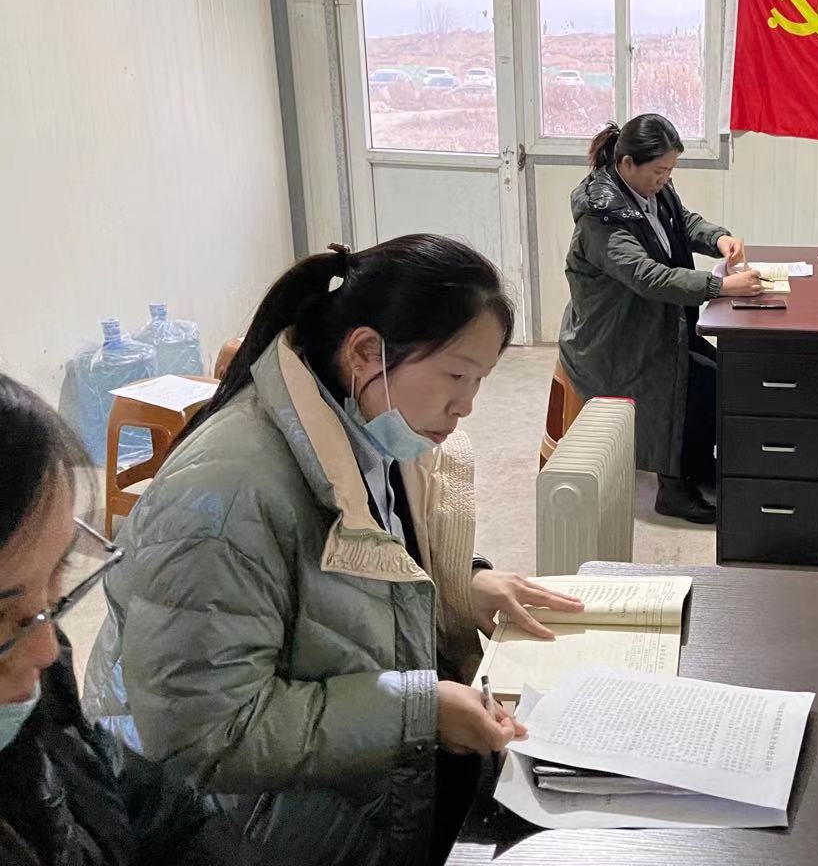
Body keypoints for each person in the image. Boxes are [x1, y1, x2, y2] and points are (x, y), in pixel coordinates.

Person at [84, 235, 583, 866]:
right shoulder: (227, 494)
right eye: (456, 375)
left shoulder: (375, 431)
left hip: (338, 789)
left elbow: (365, 557)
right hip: (232, 828)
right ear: (365, 352)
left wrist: (459, 583)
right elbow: (205, 735)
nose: (466, 405)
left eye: (480, 381)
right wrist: (418, 711)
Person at [0, 373, 258, 865]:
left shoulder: (39, 677)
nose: (48, 649)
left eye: (59, 571)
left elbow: (150, 805)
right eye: (0, 615)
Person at [560, 113, 761, 525]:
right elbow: (646, 275)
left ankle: (694, 464)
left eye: (670, 170)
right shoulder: (601, 216)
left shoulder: (651, 189)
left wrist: (718, 238)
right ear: (627, 163)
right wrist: (720, 286)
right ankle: (673, 489)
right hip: (613, 338)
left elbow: (682, 221)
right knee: (687, 385)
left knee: (719, 376)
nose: (665, 179)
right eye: (659, 170)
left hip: (653, 323)